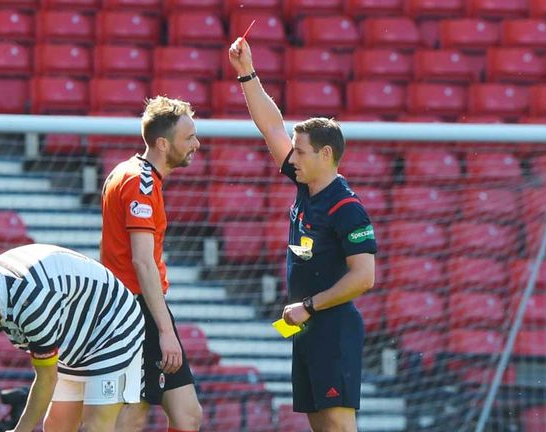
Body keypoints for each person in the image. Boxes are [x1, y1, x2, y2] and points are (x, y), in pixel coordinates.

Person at [229, 38, 377, 432]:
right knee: (318, 424)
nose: (291, 157)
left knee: (338, 424)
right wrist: (247, 73)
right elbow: (271, 127)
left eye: (300, 151)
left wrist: (309, 306)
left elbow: (365, 277)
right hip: (307, 324)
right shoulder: (304, 186)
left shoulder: (346, 207)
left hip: (332, 326)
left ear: (326, 155)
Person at [0, 243, 145, 432]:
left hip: (112, 328)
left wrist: (20, 430)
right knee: (55, 427)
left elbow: (46, 378)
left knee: (95, 427)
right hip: (72, 333)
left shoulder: (33, 304)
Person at [100, 96, 202, 432]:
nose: (196, 144)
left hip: (140, 305)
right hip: (133, 309)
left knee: (187, 416)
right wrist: (165, 330)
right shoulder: (139, 183)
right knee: (133, 415)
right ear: (163, 144)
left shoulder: (131, 173)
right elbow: (142, 262)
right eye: (189, 138)